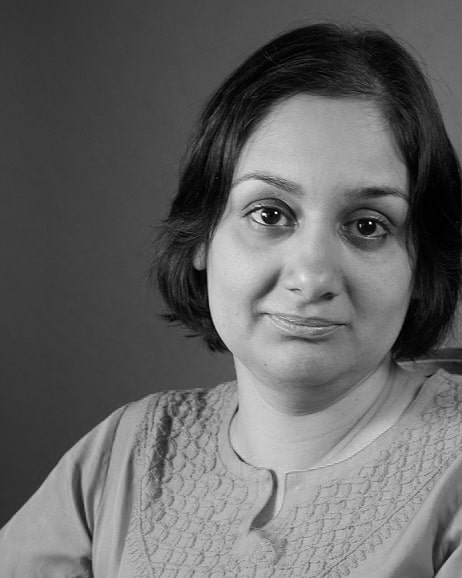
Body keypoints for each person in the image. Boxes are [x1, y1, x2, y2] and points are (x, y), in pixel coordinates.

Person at [1, 21, 462, 577]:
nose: (311, 276)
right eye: (269, 214)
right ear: (202, 236)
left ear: (423, 261)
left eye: (367, 225)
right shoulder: (123, 453)